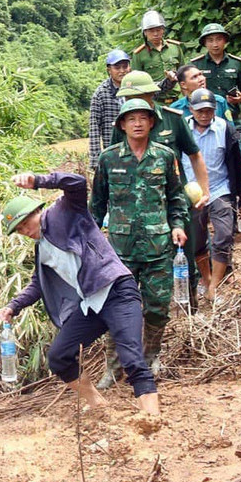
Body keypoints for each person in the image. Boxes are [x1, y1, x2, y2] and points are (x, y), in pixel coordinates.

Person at [0, 171, 159, 421]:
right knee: (59, 357)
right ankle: (98, 405)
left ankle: (152, 418)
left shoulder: (64, 212)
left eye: (26, 223)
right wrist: (14, 306)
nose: (25, 230)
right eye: (19, 230)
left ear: (36, 211)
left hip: (117, 290)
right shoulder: (42, 249)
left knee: (132, 358)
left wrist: (38, 181)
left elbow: (77, 183)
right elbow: (38, 285)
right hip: (91, 305)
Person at [92, 99, 189, 387]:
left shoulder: (164, 156)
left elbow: (176, 197)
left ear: (151, 122)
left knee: (157, 306)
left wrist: (178, 225)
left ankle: (150, 357)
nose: (137, 123)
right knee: (117, 308)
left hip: (158, 247)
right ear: (122, 125)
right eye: (131, 119)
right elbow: (97, 205)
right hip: (120, 250)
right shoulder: (109, 159)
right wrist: (90, 242)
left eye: (143, 118)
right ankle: (113, 367)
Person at [181, 88, 241, 306]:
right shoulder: (182, 129)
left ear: (214, 110)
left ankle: (213, 287)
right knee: (196, 241)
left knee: (224, 235)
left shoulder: (225, 128)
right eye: (200, 111)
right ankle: (206, 277)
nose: (204, 115)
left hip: (220, 189)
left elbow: (238, 163)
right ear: (191, 109)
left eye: (208, 110)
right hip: (193, 193)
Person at [108, 70, 211, 204]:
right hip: (135, 202)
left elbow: (194, 155)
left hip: (173, 199)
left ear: (151, 94)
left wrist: (204, 192)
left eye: (138, 97)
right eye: (128, 98)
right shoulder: (122, 124)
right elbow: (112, 163)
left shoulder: (172, 119)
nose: (133, 102)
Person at [191, 23, 241, 132]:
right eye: (210, 40)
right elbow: (189, 93)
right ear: (204, 43)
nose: (215, 44)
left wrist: (240, 99)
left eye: (219, 39)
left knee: (239, 142)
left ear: (225, 41)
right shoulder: (196, 65)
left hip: (232, 120)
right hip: (205, 121)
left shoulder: (236, 63)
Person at [129, 10, 186, 103]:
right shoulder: (139, 54)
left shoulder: (175, 47)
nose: (155, 34)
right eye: (151, 31)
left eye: (158, 30)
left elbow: (183, 73)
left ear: (163, 30)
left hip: (176, 100)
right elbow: (137, 82)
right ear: (145, 32)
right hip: (154, 101)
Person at [88, 49, 130, 169]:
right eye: (117, 67)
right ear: (109, 70)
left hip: (139, 148)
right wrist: (96, 161)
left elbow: (157, 90)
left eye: (125, 66)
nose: (122, 71)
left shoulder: (137, 86)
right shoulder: (100, 94)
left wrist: (170, 80)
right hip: (113, 150)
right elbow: (94, 128)